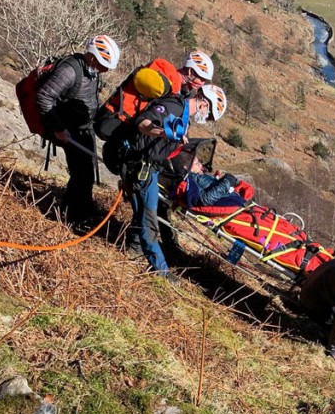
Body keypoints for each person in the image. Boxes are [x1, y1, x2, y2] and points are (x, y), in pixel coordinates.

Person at [126, 84, 228, 275]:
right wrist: (163, 132)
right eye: (209, 115)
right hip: (143, 166)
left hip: (153, 167)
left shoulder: (184, 118)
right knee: (149, 217)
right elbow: (142, 122)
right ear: (204, 104)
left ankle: (134, 249)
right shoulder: (174, 107)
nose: (206, 119)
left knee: (146, 211)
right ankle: (160, 270)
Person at [36, 34, 120, 224]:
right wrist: (58, 128)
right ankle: (70, 215)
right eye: (103, 64)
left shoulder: (91, 72)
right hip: (69, 130)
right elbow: (44, 97)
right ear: (92, 57)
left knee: (87, 171)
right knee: (80, 173)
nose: (105, 70)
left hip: (84, 128)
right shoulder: (70, 71)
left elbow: (89, 98)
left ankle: (83, 207)